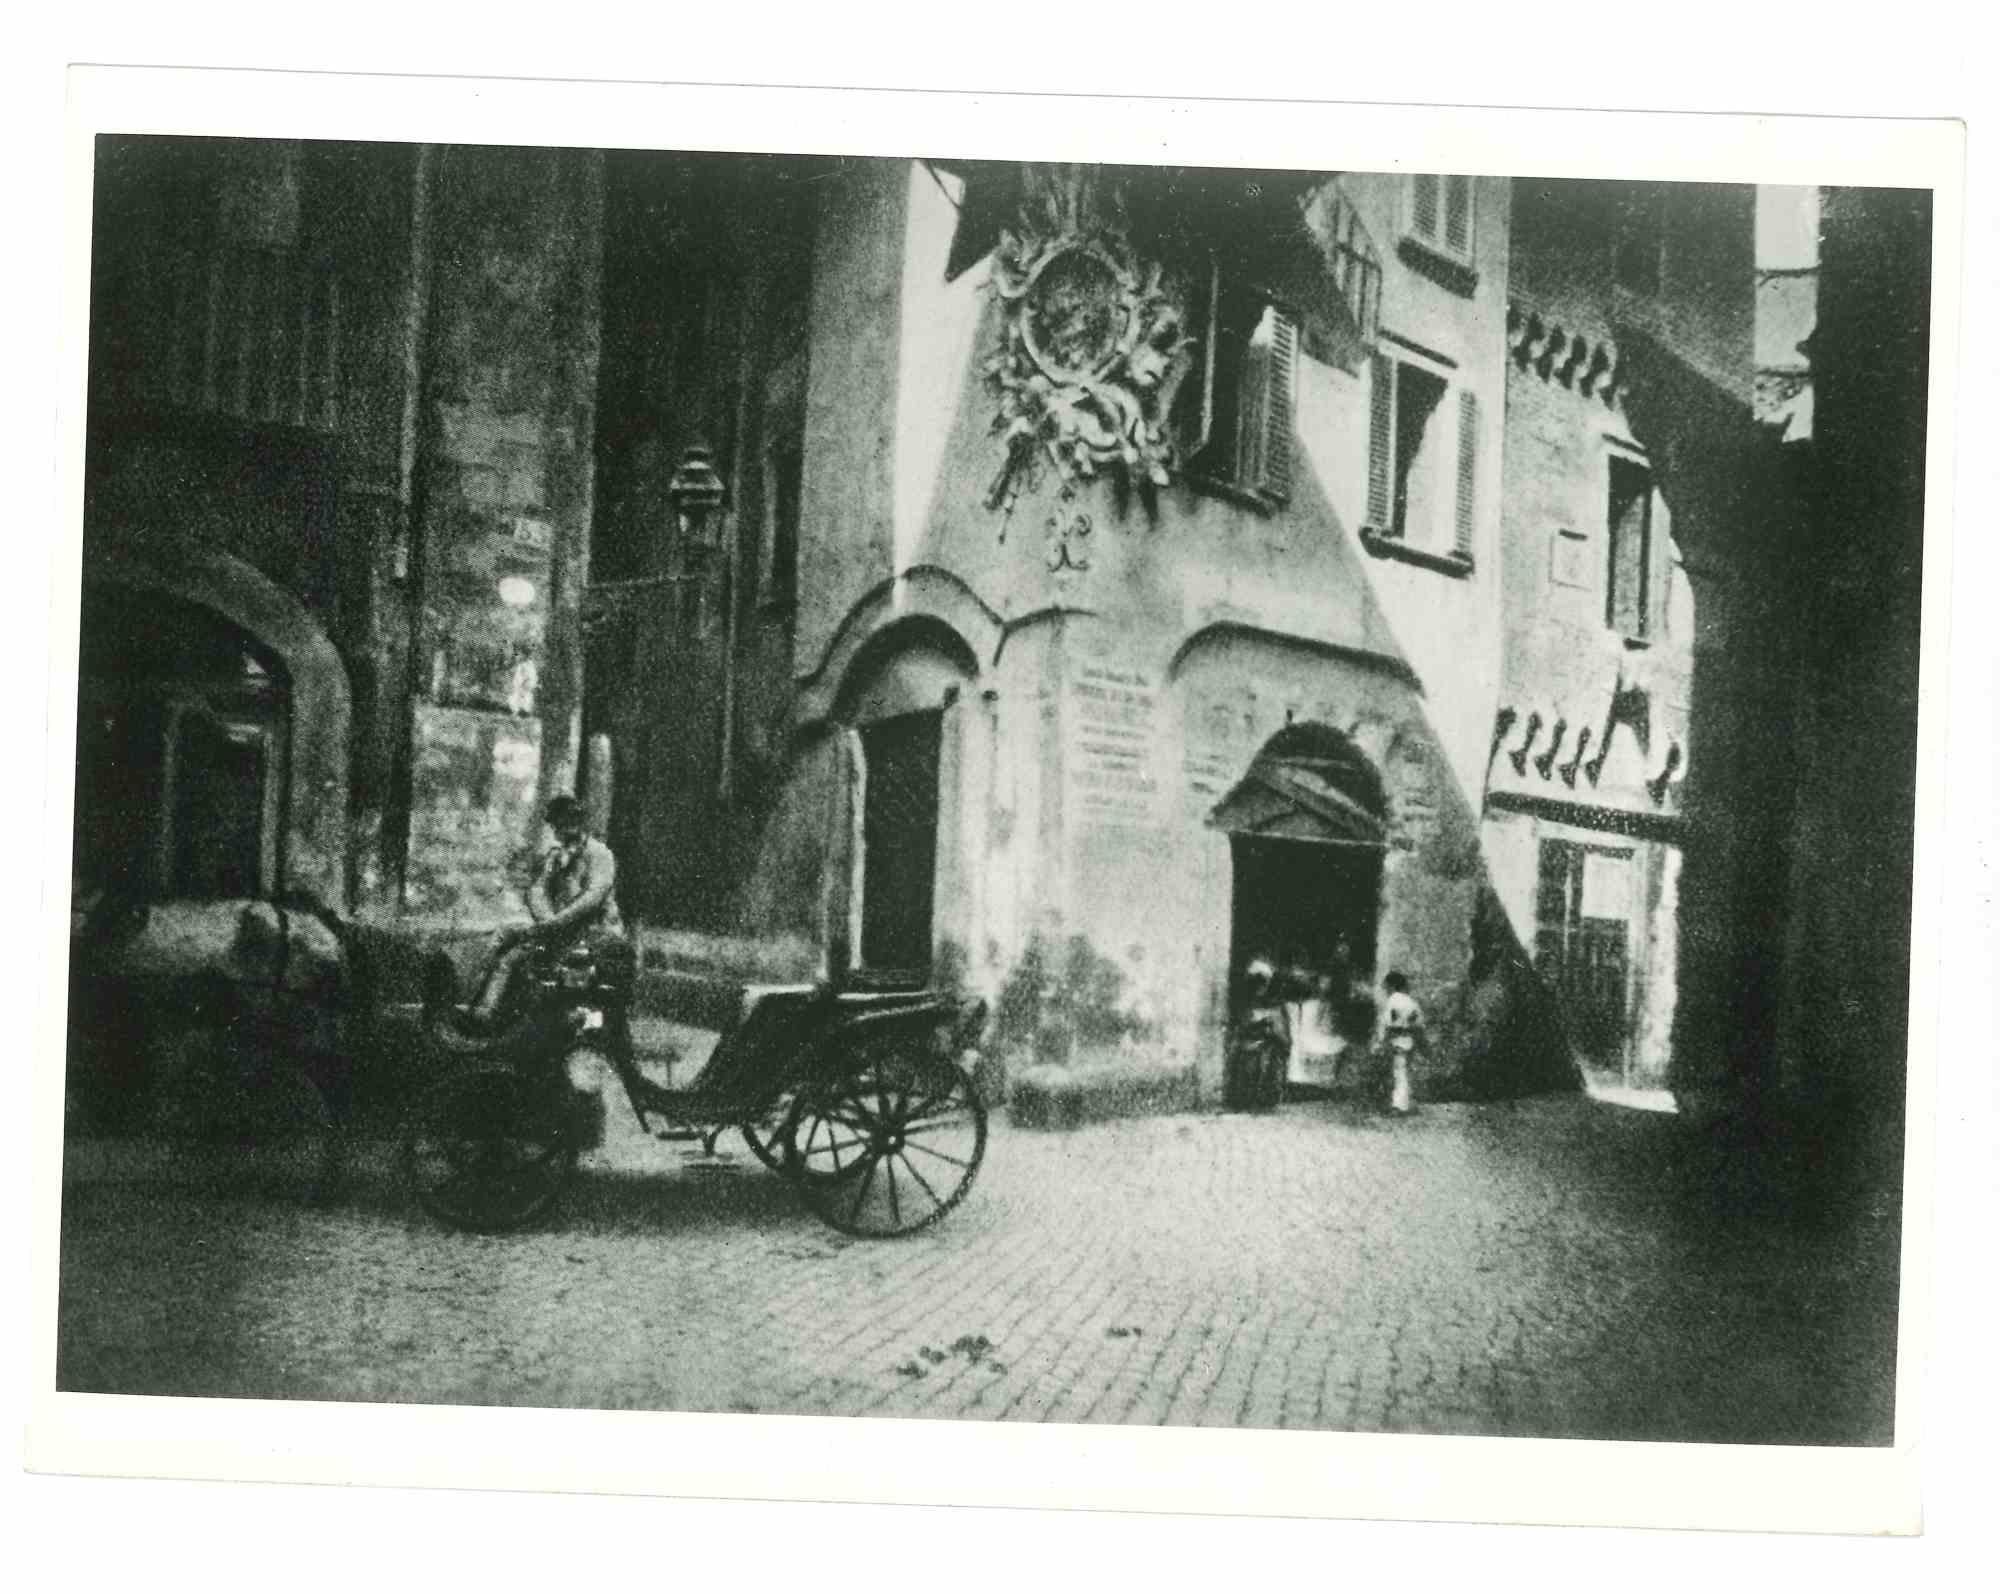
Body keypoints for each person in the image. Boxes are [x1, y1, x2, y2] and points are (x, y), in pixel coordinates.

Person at [469, 795, 629, 1026]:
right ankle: (482, 1009)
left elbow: (593, 897)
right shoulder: (555, 856)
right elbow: (537, 890)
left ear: (580, 822)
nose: (564, 829)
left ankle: (501, 1015)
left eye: (570, 822)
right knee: (505, 939)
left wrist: (555, 922)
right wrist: (546, 919)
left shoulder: (599, 854)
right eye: (559, 824)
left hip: (595, 933)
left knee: (532, 962)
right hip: (561, 930)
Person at [1376, 970, 1426, 1115]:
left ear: (1391, 986)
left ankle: (1399, 1105)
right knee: (1404, 1071)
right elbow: (1419, 1023)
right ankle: (1404, 1102)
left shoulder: (1392, 1001)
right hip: (1409, 1038)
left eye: (1386, 987)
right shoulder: (1412, 1002)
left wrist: (1380, 1041)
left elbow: (1385, 1023)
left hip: (1395, 1038)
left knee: (1398, 1072)